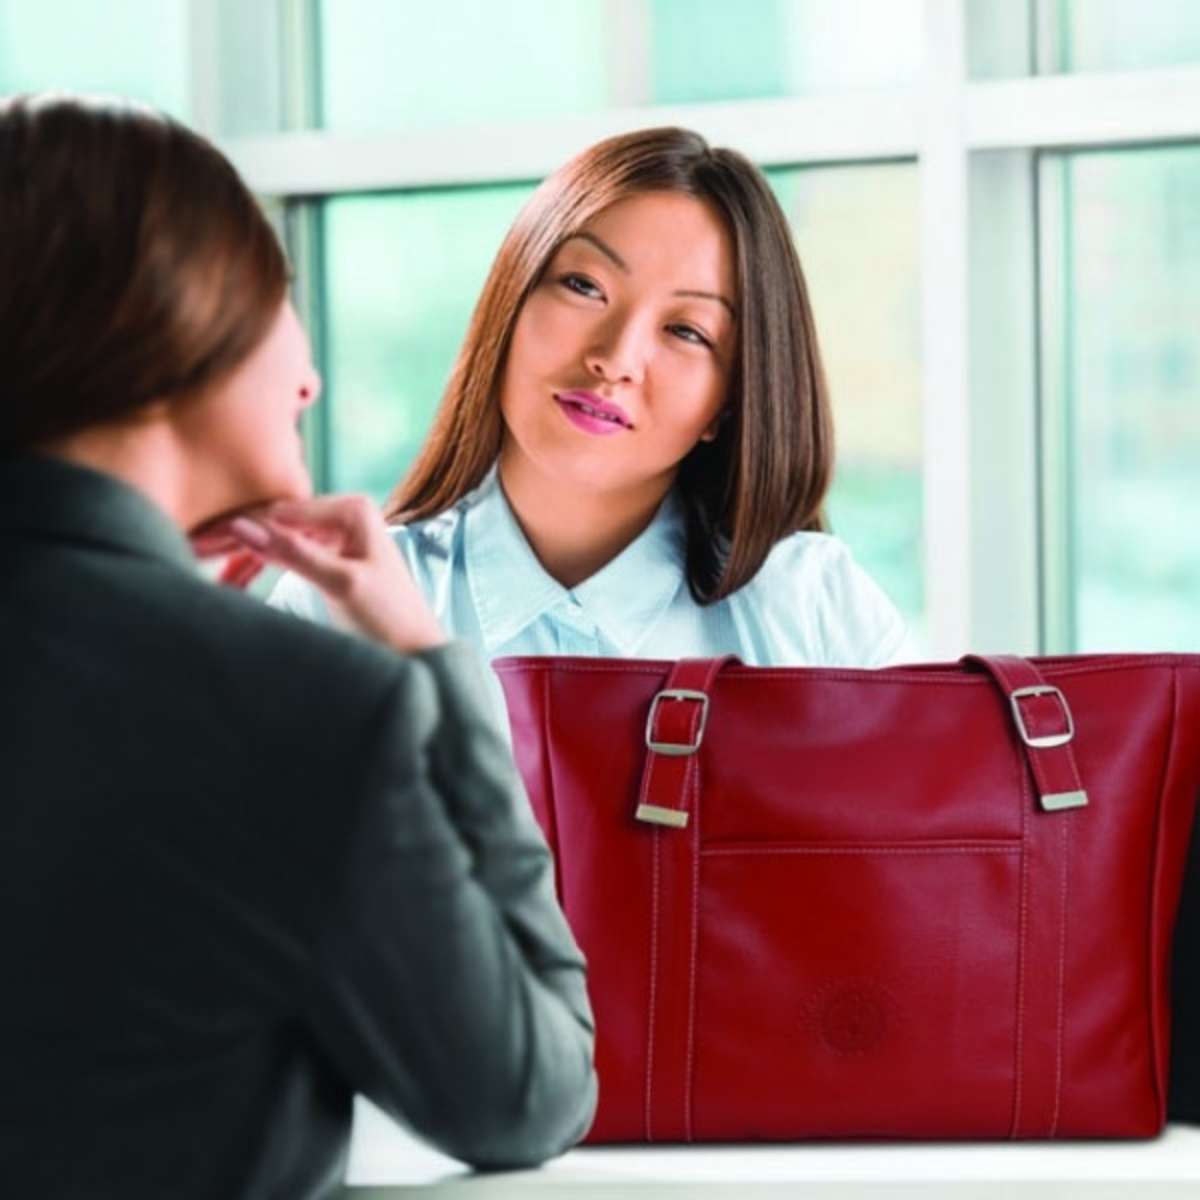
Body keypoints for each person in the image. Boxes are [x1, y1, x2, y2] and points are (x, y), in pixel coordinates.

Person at [0, 94, 596, 1199]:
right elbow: (531, 1092)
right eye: (278, 302)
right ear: (168, 325)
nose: (309, 379)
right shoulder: (302, 713)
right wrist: (428, 668)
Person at [269, 126, 913, 720]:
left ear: (729, 402)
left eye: (686, 331)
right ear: (510, 300)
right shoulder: (340, 606)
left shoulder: (814, 611)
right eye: (584, 286)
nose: (616, 359)